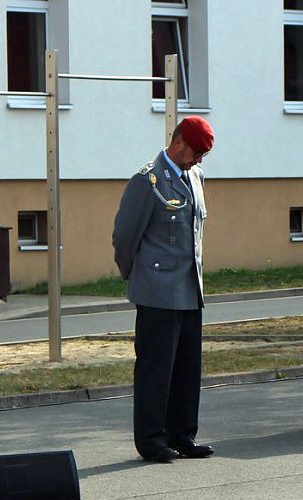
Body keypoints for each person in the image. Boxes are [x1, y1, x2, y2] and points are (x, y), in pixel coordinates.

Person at [112, 116, 215, 463]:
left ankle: (183, 435)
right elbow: (125, 236)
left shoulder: (195, 176)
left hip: (189, 288)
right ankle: (152, 440)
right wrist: (137, 276)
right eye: (197, 152)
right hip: (157, 290)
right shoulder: (148, 180)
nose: (200, 159)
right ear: (179, 143)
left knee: (187, 369)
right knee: (156, 369)